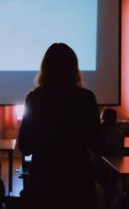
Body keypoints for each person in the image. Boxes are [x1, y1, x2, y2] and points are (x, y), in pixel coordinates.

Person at [18, 43, 102, 209]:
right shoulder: (86, 98)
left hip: (43, 182)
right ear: (74, 67)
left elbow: (25, 146)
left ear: (45, 68)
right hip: (78, 181)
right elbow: (97, 143)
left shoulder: (34, 99)